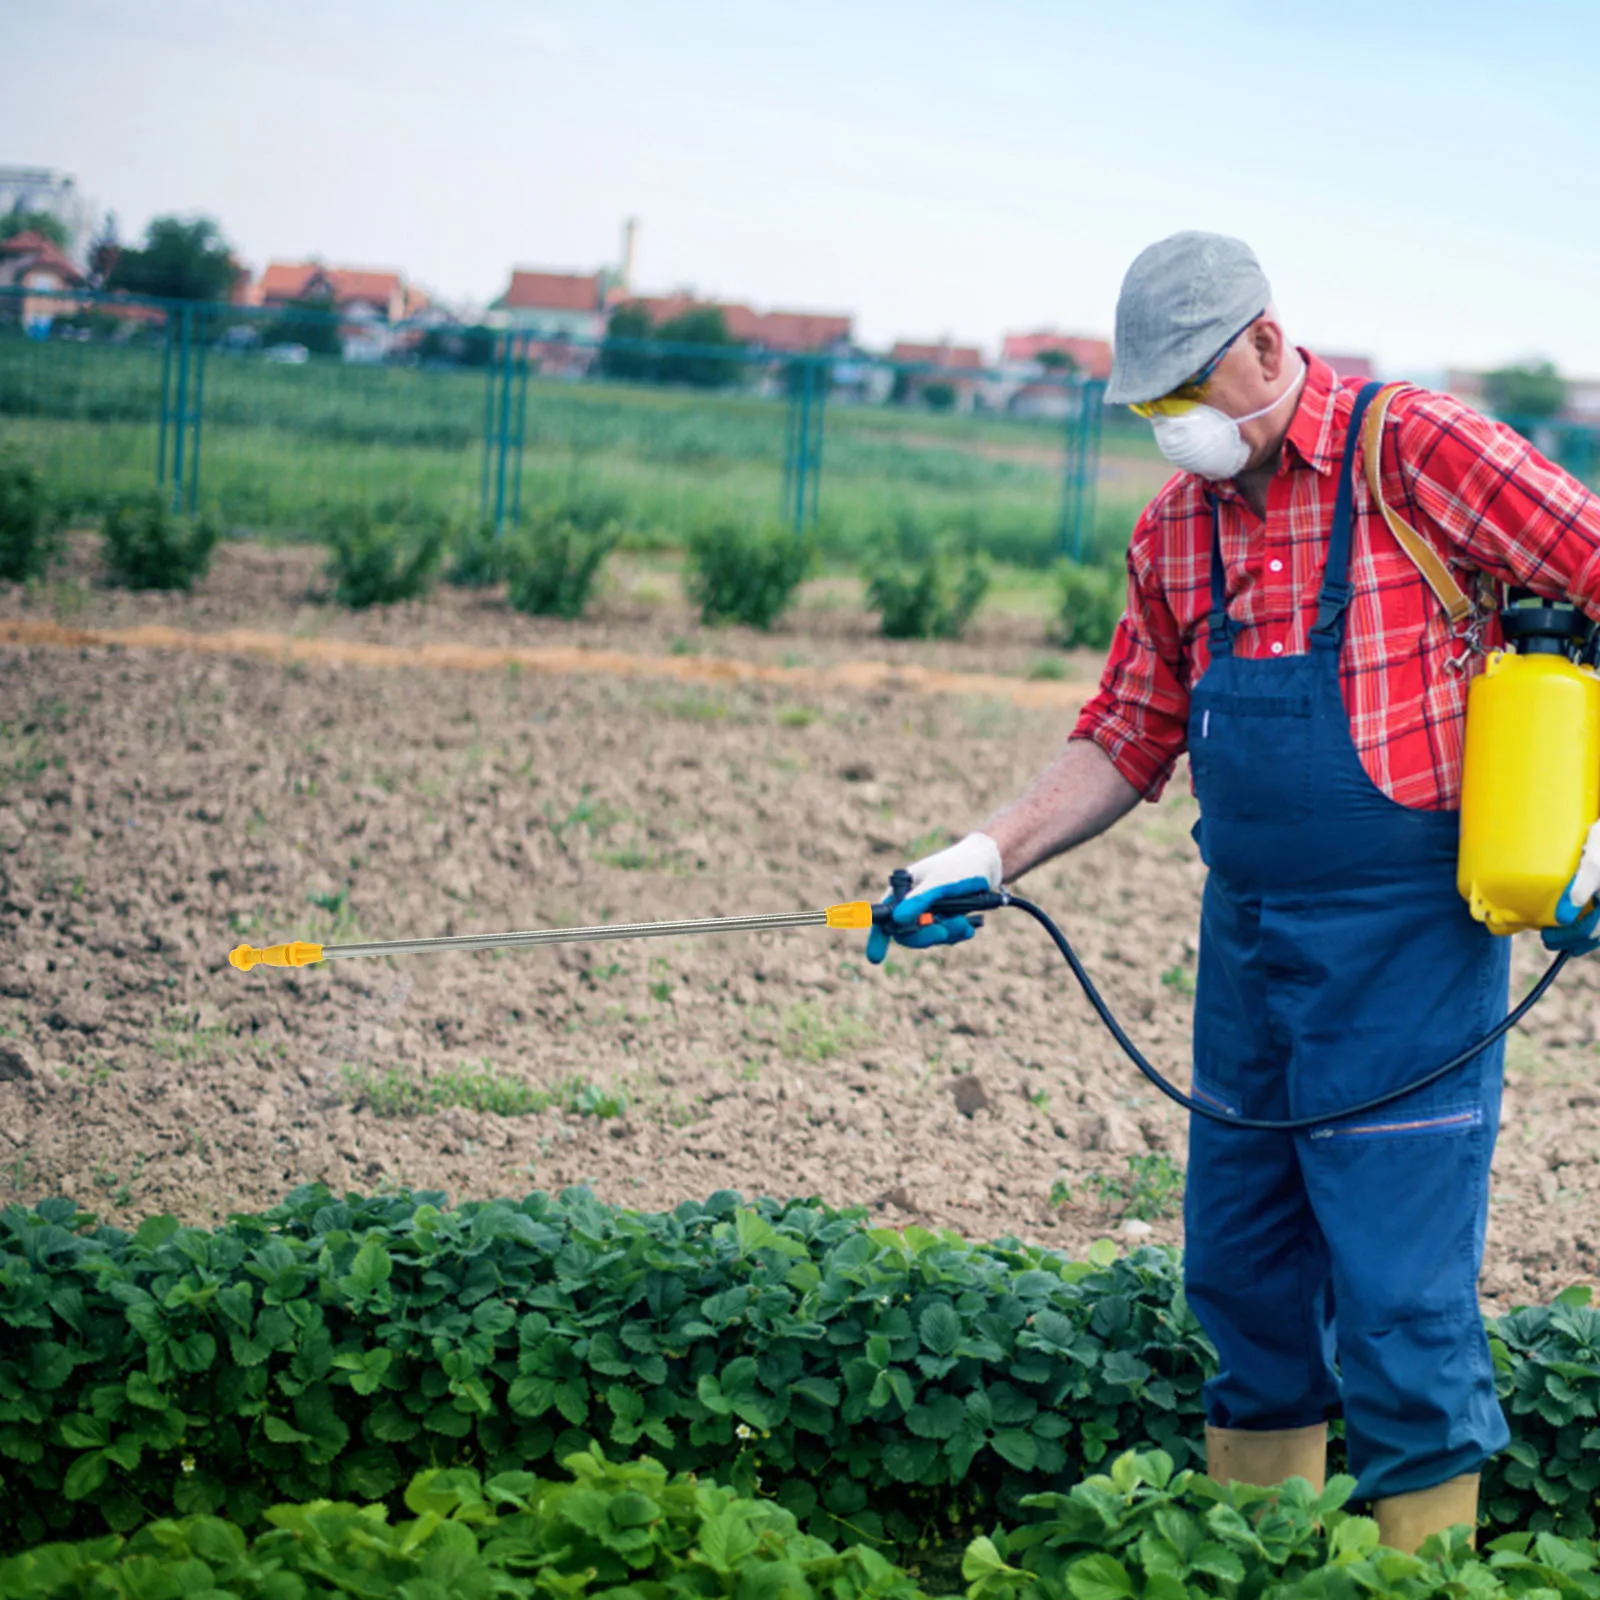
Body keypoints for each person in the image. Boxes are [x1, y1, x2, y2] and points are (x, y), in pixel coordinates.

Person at [866, 231, 1600, 1554]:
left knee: (1396, 1294)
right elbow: (1128, 728)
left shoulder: (1413, 453)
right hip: (1249, 951)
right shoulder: (1177, 533)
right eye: (1155, 409)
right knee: (1243, 1275)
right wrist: (988, 851)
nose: (1180, 429)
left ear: (1267, 339)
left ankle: (1414, 1582)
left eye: (1192, 393)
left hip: (1410, 949)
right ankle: (1257, 1564)